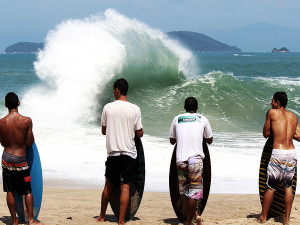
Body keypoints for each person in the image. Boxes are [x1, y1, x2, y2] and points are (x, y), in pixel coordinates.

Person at [96, 78, 143, 225]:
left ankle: (102, 216)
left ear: (117, 90)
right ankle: (121, 221)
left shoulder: (107, 108)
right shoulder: (135, 109)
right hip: (129, 153)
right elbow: (139, 133)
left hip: (113, 153)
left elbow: (104, 131)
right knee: (125, 187)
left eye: (113, 89)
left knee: (108, 185)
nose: (113, 92)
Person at [0, 92, 43, 225]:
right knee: (27, 189)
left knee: (10, 190)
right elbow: (30, 143)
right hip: (20, 160)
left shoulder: (1, 122)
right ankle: (31, 220)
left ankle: (14, 221)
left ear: (6, 105)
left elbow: (2, 143)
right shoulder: (26, 121)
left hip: (6, 158)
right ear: (19, 103)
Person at [169, 97, 213, 225]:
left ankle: (195, 214)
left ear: (184, 107)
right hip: (195, 160)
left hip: (180, 160)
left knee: (185, 189)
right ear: (197, 107)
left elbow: (172, 141)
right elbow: (209, 140)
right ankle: (189, 221)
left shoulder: (177, 119)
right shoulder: (203, 119)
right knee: (194, 192)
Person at [258, 92, 300, 225]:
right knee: (288, 186)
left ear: (277, 102)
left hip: (278, 152)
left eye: (272, 101)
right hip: (291, 152)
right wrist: (287, 133)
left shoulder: (271, 113)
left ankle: (263, 217)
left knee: (270, 186)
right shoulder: (293, 116)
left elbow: (266, 133)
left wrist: (277, 132)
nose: (271, 103)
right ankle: (286, 219)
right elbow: (299, 136)